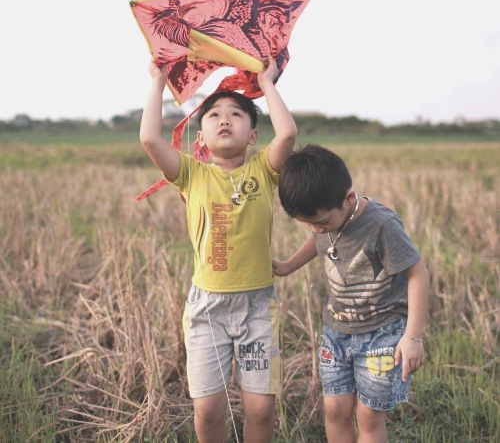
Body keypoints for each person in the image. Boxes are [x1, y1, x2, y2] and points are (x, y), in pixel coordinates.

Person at [140, 55, 297, 443]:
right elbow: (149, 139)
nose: (225, 119)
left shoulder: (263, 170)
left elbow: (289, 134)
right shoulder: (191, 174)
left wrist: (268, 83)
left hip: (258, 307)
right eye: (213, 115)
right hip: (207, 309)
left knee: (260, 408)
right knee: (208, 409)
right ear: (200, 135)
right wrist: (158, 81)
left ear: (254, 135)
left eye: (237, 114)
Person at [272, 144, 430, 443]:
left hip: (382, 335)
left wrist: (413, 337)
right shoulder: (326, 217)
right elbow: (320, 241)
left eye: (320, 223)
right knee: (334, 410)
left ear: (348, 198)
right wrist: (289, 265)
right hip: (336, 332)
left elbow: (418, 274)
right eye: (308, 224)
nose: (316, 231)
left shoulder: (381, 224)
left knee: (369, 416)